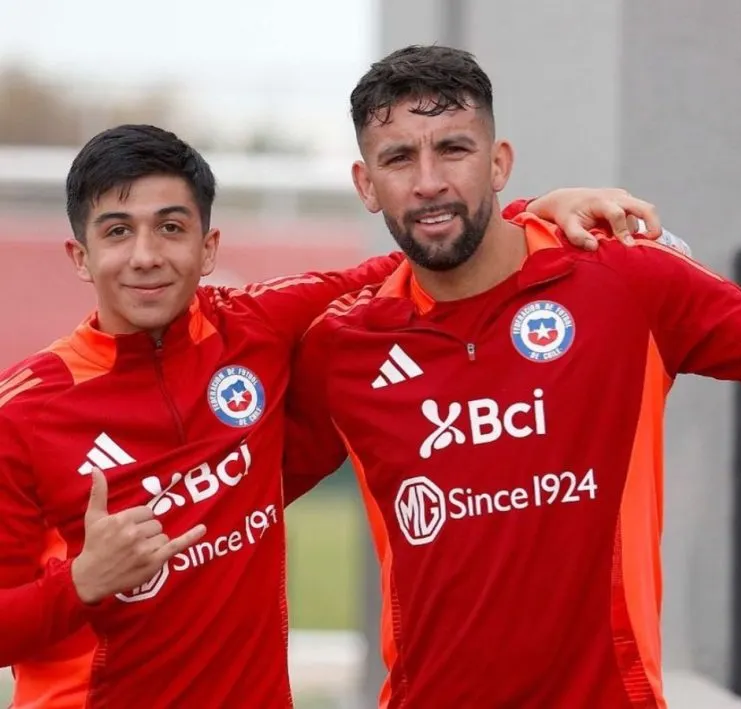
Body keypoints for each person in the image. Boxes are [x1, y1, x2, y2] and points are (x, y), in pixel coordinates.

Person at [285, 44, 741, 709]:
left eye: (453, 149)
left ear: (500, 161)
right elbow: (237, 492)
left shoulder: (625, 284)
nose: (428, 181)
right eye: (398, 159)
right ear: (365, 182)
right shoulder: (343, 346)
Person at [0, 123, 664, 707]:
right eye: (117, 232)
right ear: (80, 258)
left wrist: (531, 213)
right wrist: (82, 583)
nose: (146, 255)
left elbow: (416, 257)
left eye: (171, 227)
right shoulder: (25, 411)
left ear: (207, 248)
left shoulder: (258, 326)